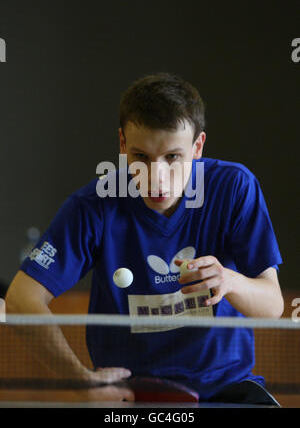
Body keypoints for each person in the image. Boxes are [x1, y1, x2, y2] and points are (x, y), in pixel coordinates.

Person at [5, 72, 284, 404]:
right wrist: (81, 381)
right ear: (122, 145)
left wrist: (231, 280)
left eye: (172, 157)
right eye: (142, 157)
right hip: (133, 397)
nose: (157, 178)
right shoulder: (93, 207)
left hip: (227, 393)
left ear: (198, 147)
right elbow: (21, 300)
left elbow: (273, 306)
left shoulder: (234, 188)